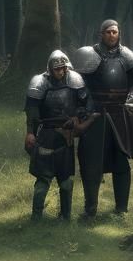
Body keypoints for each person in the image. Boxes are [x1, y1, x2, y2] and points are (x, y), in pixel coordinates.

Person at [72, 19, 133, 219]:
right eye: (108, 32)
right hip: (95, 117)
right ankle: (90, 210)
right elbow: (77, 85)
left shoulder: (126, 55)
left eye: (114, 32)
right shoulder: (89, 55)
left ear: (119, 34)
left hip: (119, 117)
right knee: (91, 164)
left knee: (121, 164)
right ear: (101, 34)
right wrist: (85, 107)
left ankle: (121, 210)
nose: (111, 35)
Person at [24, 51, 93, 220]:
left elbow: (84, 104)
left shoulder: (75, 80)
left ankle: (65, 217)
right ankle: (36, 218)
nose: (61, 72)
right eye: (57, 69)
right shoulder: (39, 83)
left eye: (63, 68)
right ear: (50, 69)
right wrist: (30, 133)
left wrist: (78, 117)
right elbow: (32, 112)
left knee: (66, 181)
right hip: (46, 134)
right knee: (43, 179)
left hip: (66, 136)